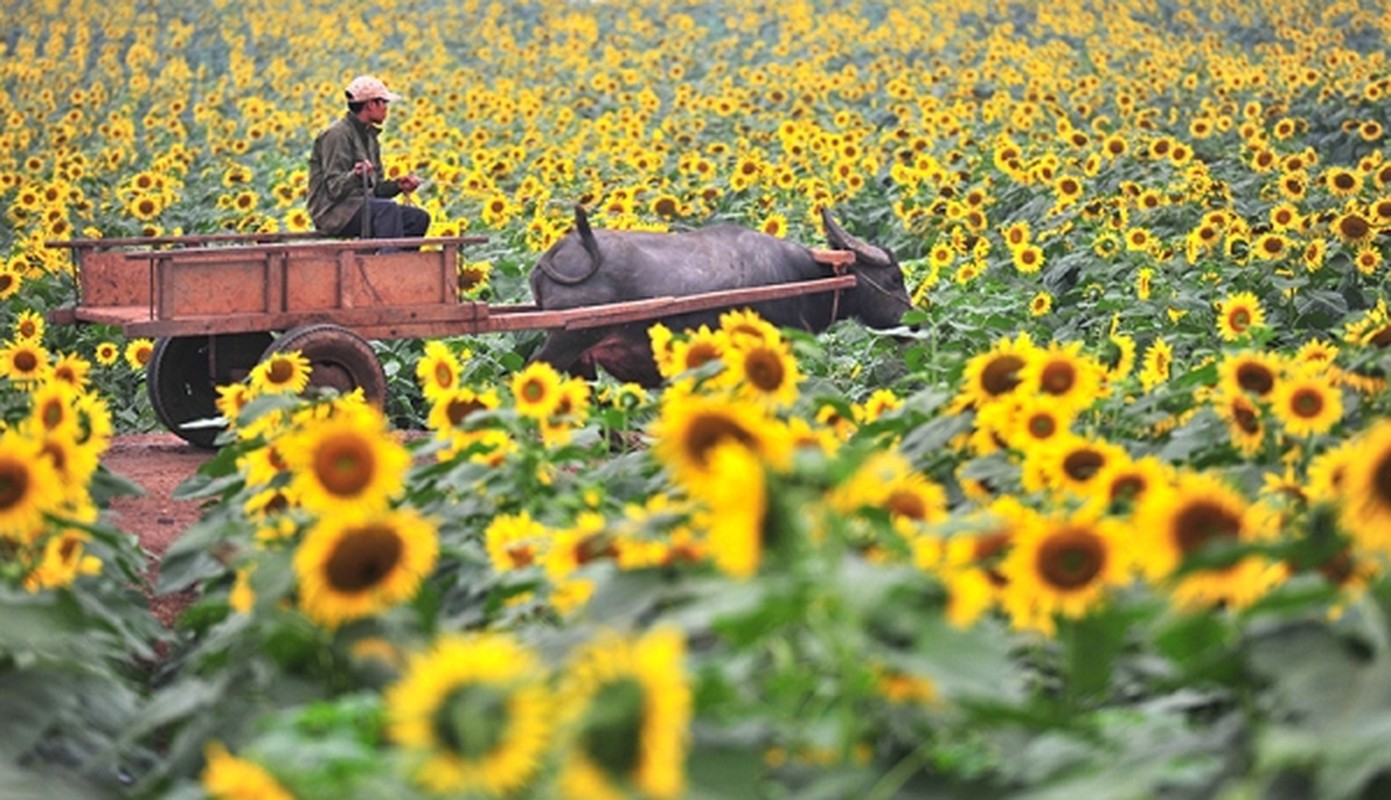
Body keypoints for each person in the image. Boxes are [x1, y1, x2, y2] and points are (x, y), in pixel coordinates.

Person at [307, 75, 429, 244]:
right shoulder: (336, 135)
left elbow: (375, 188)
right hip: (334, 212)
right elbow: (334, 187)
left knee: (418, 218)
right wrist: (355, 175)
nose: (386, 108)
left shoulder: (370, 136)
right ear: (371, 104)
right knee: (387, 210)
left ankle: (399, 266)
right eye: (384, 103)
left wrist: (398, 186)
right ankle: (385, 266)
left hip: (361, 207)